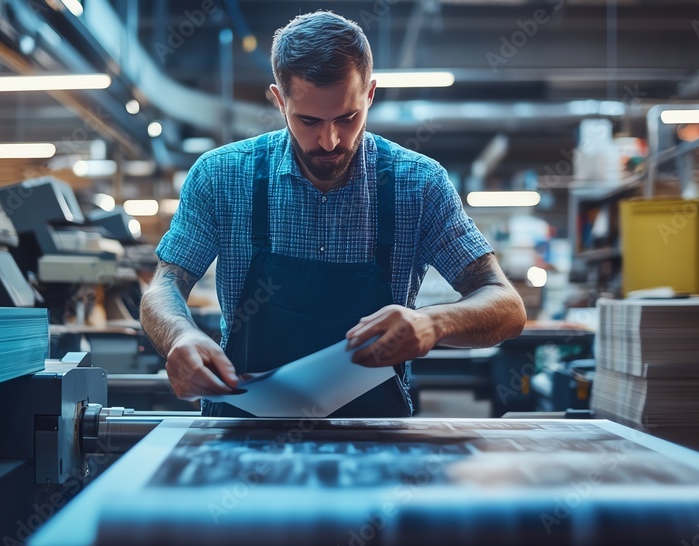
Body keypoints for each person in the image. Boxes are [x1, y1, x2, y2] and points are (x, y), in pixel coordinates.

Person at [141, 11, 526, 417]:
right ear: (279, 100)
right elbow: (165, 285)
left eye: (348, 117)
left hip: (374, 435)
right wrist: (179, 336)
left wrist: (434, 323)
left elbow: (507, 306)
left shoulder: (419, 184)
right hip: (245, 432)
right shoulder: (222, 177)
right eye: (308, 120)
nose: (329, 140)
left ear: (370, 94)